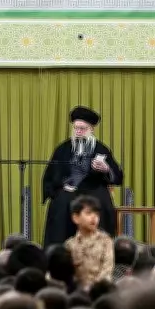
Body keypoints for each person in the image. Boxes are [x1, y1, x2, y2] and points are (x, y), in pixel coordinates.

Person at [42, 106, 124, 247]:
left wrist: (106, 169)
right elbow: (51, 175)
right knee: (61, 203)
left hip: (93, 190)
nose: (78, 131)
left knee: (99, 203)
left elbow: (117, 176)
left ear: (91, 129)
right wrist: (60, 187)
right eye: (76, 128)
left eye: (82, 128)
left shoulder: (101, 149)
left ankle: (98, 250)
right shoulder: (63, 149)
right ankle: (59, 252)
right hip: (68, 191)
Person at [64, 197, 114, 289]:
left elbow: (107, 271)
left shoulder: (106, 241)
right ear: (76, 218)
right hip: (78, 291)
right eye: (88, 213)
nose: (94, 217)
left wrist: (93, 288)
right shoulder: (70, 244)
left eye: (97, 214)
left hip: (100, 290)